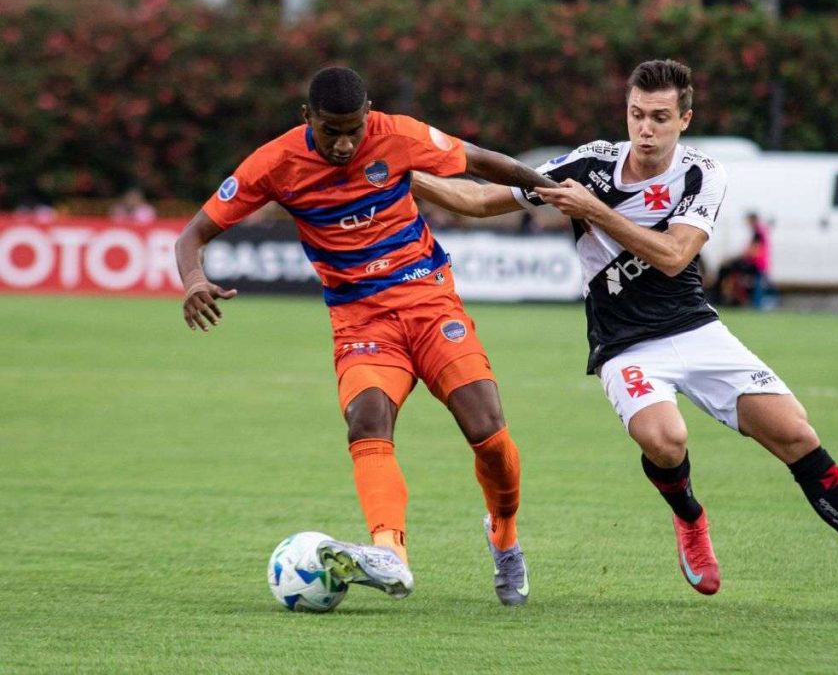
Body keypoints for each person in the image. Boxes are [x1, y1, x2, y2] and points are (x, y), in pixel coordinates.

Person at [412, 59, 838, 608]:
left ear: (684, 119)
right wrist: (397, 175)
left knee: (796, 434)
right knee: (665, 438)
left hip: (696, 329)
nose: (646, 129)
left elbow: (672, 255)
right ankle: (690, 517)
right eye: (637, 115)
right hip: (625, 344)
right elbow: (477, 201)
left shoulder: (701, 174)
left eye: (660, 118)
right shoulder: (588, 164)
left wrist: (595, 211)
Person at [175, 66, 554, 606]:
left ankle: (505, 535)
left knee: (489, 433)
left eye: (355, 127)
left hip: (429, 302)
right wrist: (194, 280)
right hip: (361, 321)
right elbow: (194, 233)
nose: (345, 142)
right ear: (307, 118)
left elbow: (481, 160)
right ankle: (390, 554)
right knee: (367, 419)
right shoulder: (275, 163)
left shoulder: (398, 134)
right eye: (332, 131)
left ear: (369, 113)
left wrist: (556, 191)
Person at [714, 211, 771, 307]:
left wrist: (732, 258)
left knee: (725, 269)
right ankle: (728, 298)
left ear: (752, 220)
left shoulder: (758, 233)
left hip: (756, 265)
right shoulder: (760, 231)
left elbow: (753, 252)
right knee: (729, 268)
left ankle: (719, 298)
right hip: (757, 264)